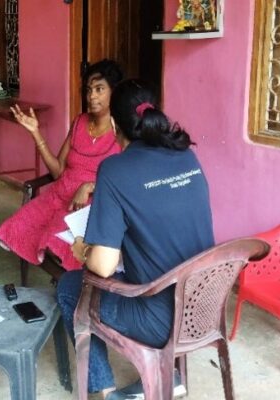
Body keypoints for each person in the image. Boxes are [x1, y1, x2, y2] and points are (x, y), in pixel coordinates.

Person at [57, 79, 214, 400]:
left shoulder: (114, 169)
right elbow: (159, 203)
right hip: (206, 306)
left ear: (115, 123)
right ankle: (169, 373)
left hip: (160, 319)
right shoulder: (185, 156)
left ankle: (105, 391)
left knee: (71, 286)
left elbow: (102, 266)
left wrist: (82, 248)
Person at [0, 59, 124, 271]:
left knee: (56, 239)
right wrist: (35, 133)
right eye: (89, 89)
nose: (92, 96)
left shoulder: (122, 132)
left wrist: (89, 187)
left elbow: (126, 185)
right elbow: (58, 172)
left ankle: (68, 286)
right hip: (58, 194)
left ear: (114, 92)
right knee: (16, 227)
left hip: (88, 205)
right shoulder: (80, 122)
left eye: (100, 89)